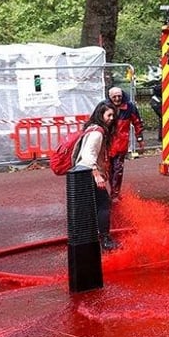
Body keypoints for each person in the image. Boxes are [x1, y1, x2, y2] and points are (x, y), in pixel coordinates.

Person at [74, 101, 119, 250]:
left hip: (80, 172)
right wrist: (97, 175)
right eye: (109, 115)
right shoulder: (97, 133)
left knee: (88, 207)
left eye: (113, 115)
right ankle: (105, 240)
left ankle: (88, 239)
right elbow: (88, 155)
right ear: (101, 115)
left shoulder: (91, 128)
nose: (112, 118)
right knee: (104, 205)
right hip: (88, 171)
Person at [106, 86, 145, 201]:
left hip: (121, 145)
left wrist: (140, 140)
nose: (117, 99)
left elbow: (137, 123)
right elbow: (95, 121)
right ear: (110, 97)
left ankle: (115, 194)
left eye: (119, 96)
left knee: (118, 170)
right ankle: (113, 192)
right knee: (109, 169)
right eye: (114, 97)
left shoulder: (129, 107)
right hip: (106, 144)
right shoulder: (104, 106)